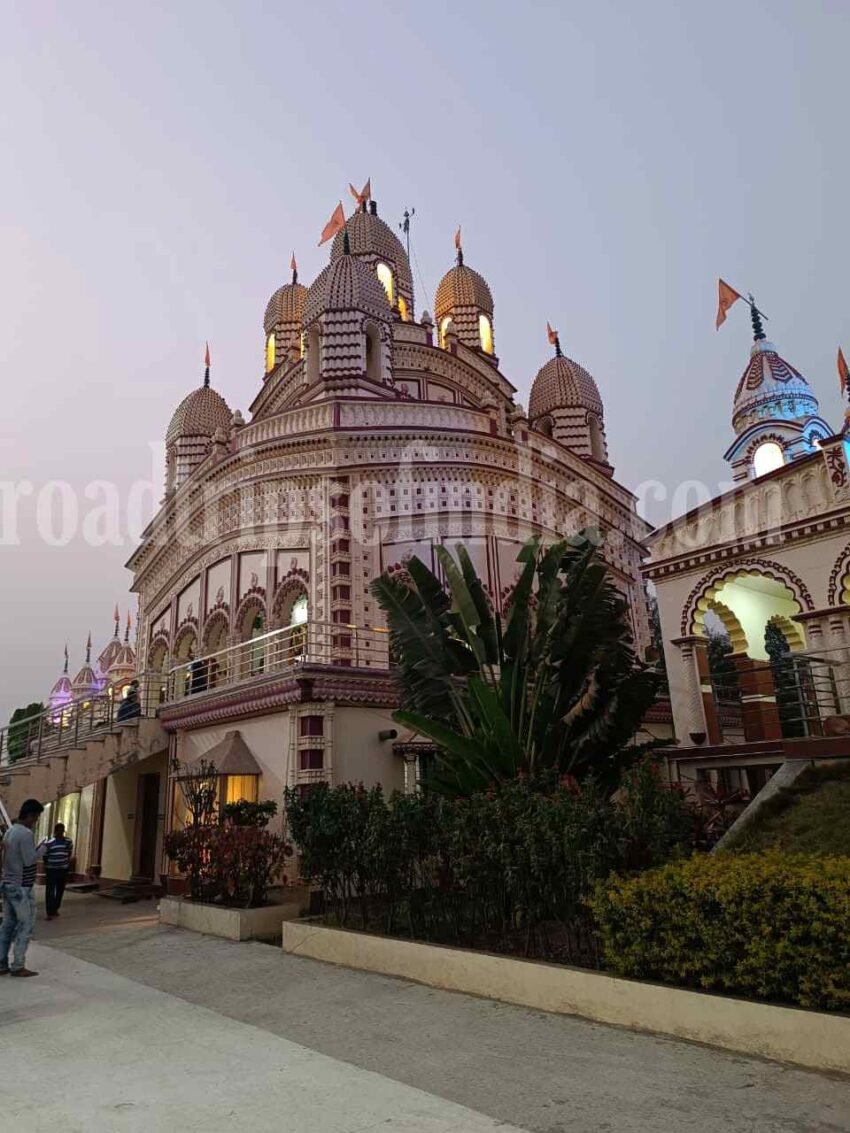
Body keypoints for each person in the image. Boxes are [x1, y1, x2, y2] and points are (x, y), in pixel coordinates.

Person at [0, 798, 45, 977]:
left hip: (8, 884)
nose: (35, 822)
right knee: (26, 925)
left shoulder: (10, 831)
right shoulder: (25, 834)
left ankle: (1, 963)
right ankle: (18, 965)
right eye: (36, 818)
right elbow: (29, 860)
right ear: (31, 815)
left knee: (7, 925)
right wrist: (43, 849)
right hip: (21, 887)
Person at [44, 821, 73, 920]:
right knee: (50, 891)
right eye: (59, 831)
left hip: (63, 870)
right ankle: (49, 912)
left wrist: (65, 863)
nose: (61, 833)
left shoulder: (68, 841)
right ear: (55, 832)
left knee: (60, 890)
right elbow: (45, 856)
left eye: (62, 831)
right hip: (51, 870)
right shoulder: (50, 843)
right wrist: (48, 865)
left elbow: (69, 853)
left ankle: (55, 908)